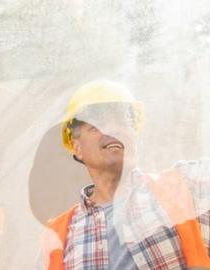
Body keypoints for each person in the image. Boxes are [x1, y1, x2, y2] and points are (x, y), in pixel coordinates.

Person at [43, 80, 210, 269]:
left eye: (124, 121)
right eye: (98, 124)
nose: (114, 129)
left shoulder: (187, 186)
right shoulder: (58, 238)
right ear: (77, 147)